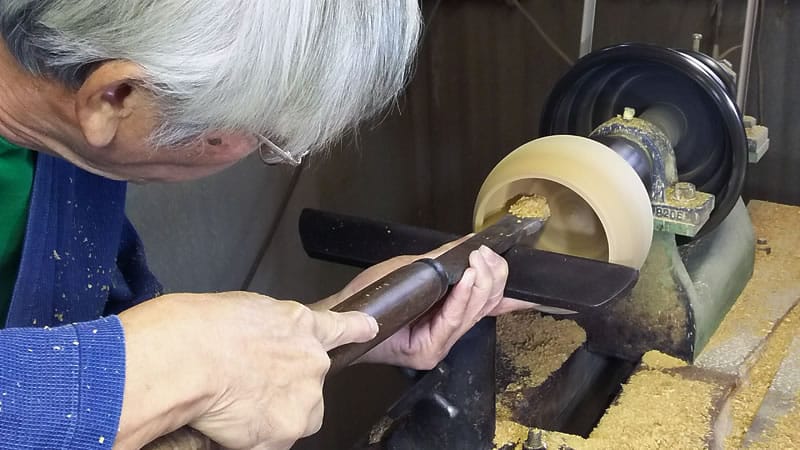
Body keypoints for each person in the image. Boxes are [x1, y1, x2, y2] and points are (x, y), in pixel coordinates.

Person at [0, 2, 532, 449]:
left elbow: (102, 379)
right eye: (265, 137)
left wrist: (329, 328)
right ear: (116, 98)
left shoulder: (66, 161)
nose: (255, 153)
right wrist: (175, 358)